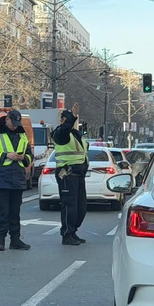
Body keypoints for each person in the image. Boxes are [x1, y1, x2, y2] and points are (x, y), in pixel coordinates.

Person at [0, 110, 33, 251]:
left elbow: (29, 155)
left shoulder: (22, 135)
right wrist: (6, 155)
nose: (15, 126)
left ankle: (15, 239)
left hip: (17, 178)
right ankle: (0, 240)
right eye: (13, 123)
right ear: (6, 120)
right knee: (3, 210)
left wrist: (24, 158)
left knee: (15, 212)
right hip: (1, 178)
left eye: (17, 123)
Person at [52, 103, 89, 246]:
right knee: (69, 206)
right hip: (67, 174)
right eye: (69, 120)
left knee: (81, 207)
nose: (72, 122)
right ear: (62, 121)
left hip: (79, 175)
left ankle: (73, 231)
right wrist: (72, 117)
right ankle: (67, 234)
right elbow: (65, 129)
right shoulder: (60, 134)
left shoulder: (76, 135)